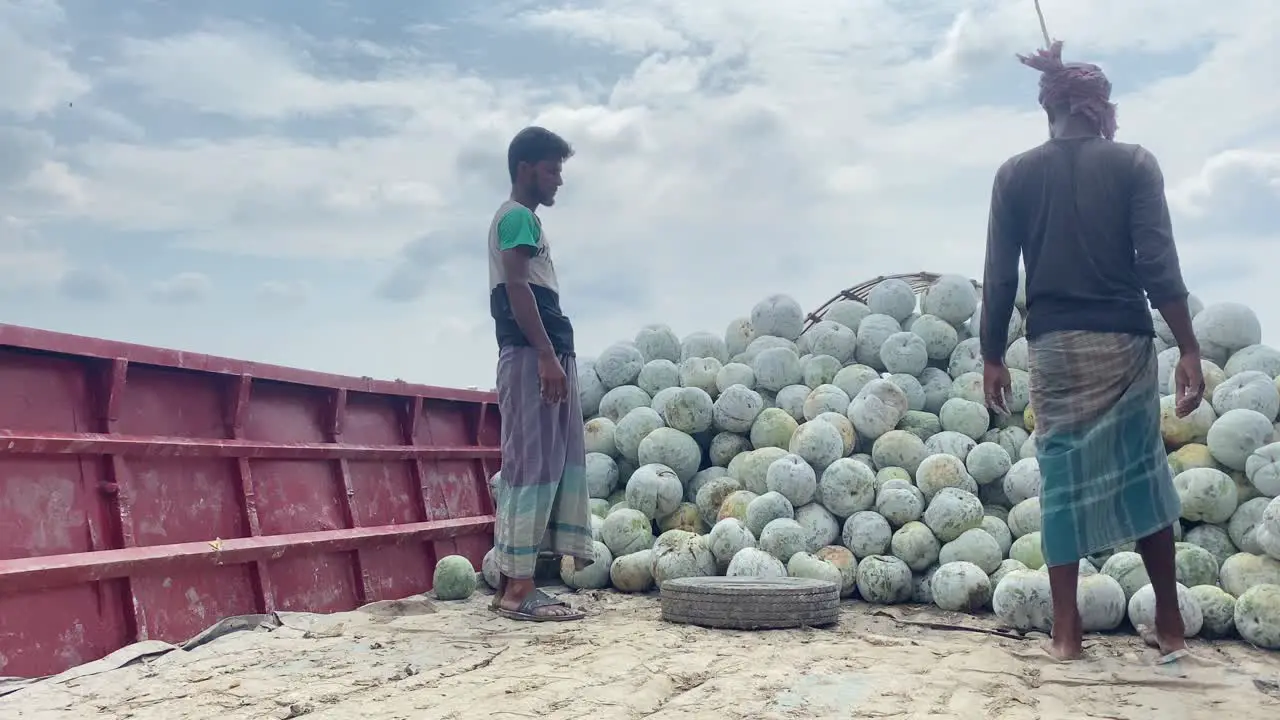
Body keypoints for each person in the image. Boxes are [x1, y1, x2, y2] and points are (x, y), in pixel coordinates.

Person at [980, 41, 1205, 662]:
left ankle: (1066, 633)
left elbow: (1000, 276)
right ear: (1100, 108)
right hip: (1125, 340)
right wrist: (1188, 346)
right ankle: (1169, 622)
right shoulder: (1135, 164)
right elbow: (1157, 264)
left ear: (1047, 108)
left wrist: (992, 353)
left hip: (1053, 345)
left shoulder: (1015, 174)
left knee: (1062, 476)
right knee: (1142, 471)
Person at [486, 126, 594, 621]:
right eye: (552, 170)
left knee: (537, 467)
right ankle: (519, 591)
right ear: (525, 168)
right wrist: (547, 357)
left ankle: (513, 582)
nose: (558, 181)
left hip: (538, 356)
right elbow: (517, 289)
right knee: (531, 469)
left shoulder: (524, 222)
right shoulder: (517, 219)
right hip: (533, 360)